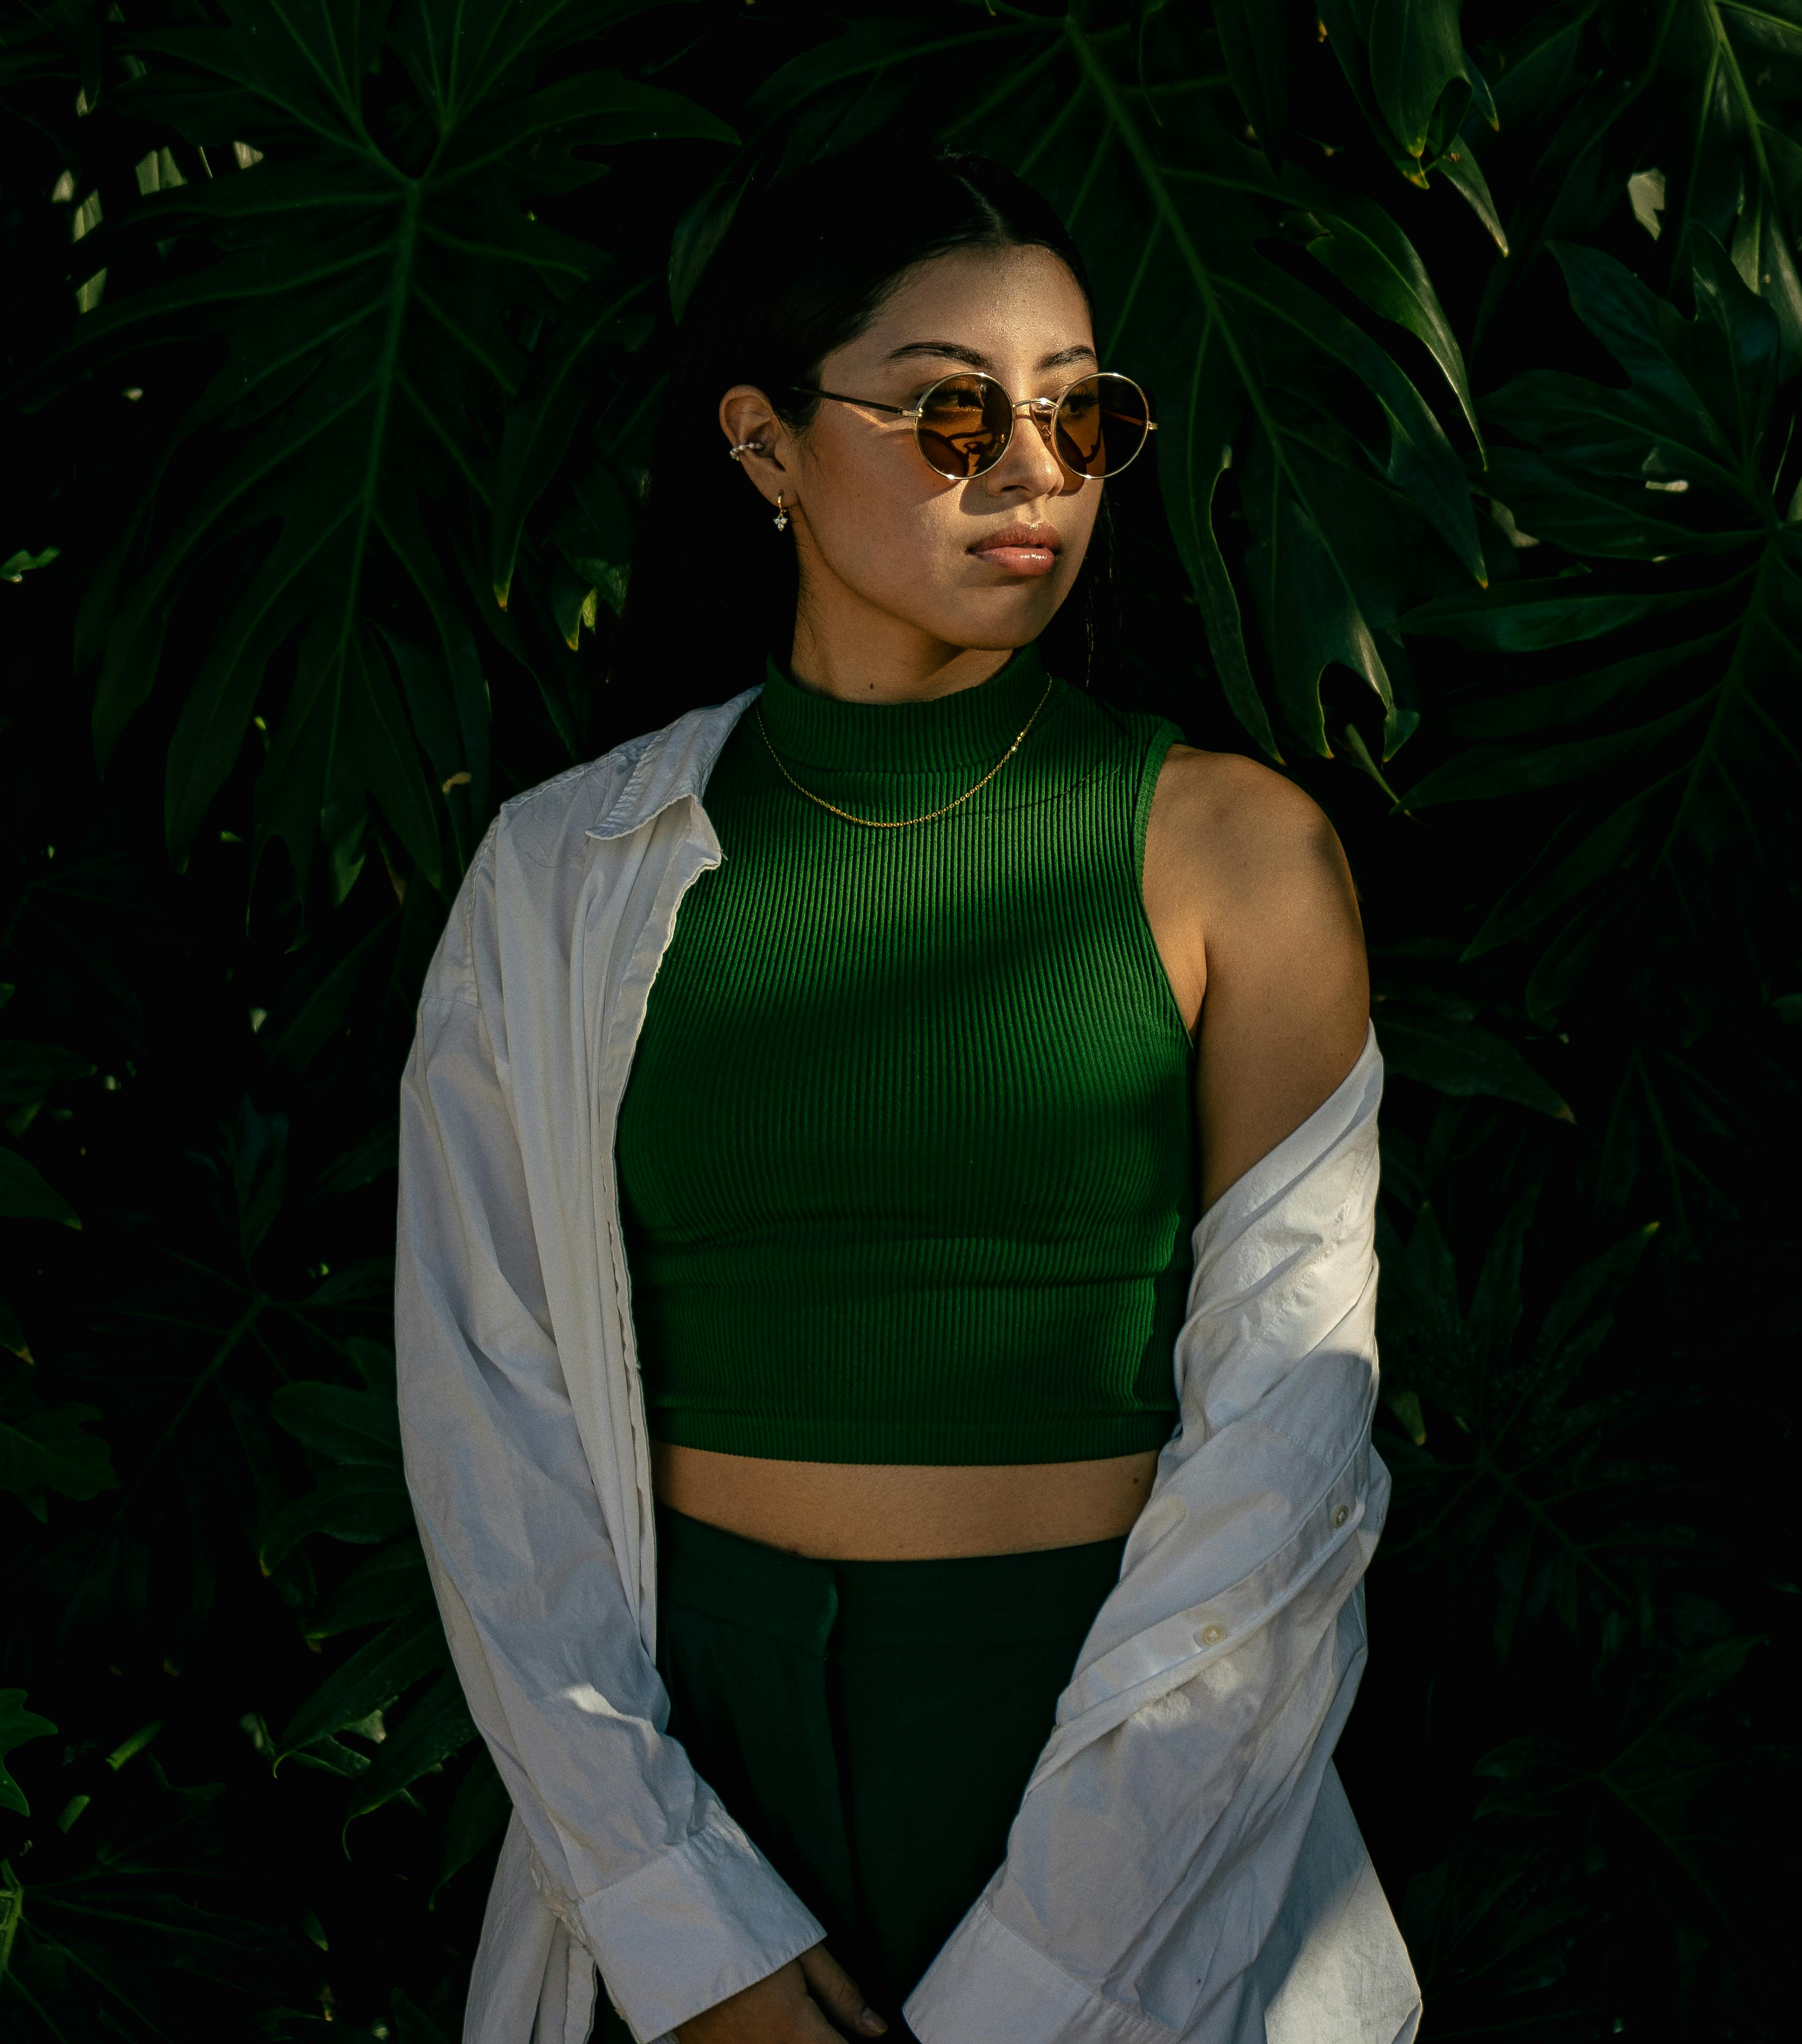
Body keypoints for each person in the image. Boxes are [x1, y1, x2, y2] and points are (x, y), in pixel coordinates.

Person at [395, 142, 1418, 2044]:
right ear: (767, 445)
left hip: (1115, 1772)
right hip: (697, 1773)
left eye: (1079, 416)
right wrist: (676, 1922)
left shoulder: (1237, 856)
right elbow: (492, 1432)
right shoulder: (560, 880)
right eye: (952, 413)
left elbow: (1292, 1450)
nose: (1031, 470)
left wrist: (1055, 1974)